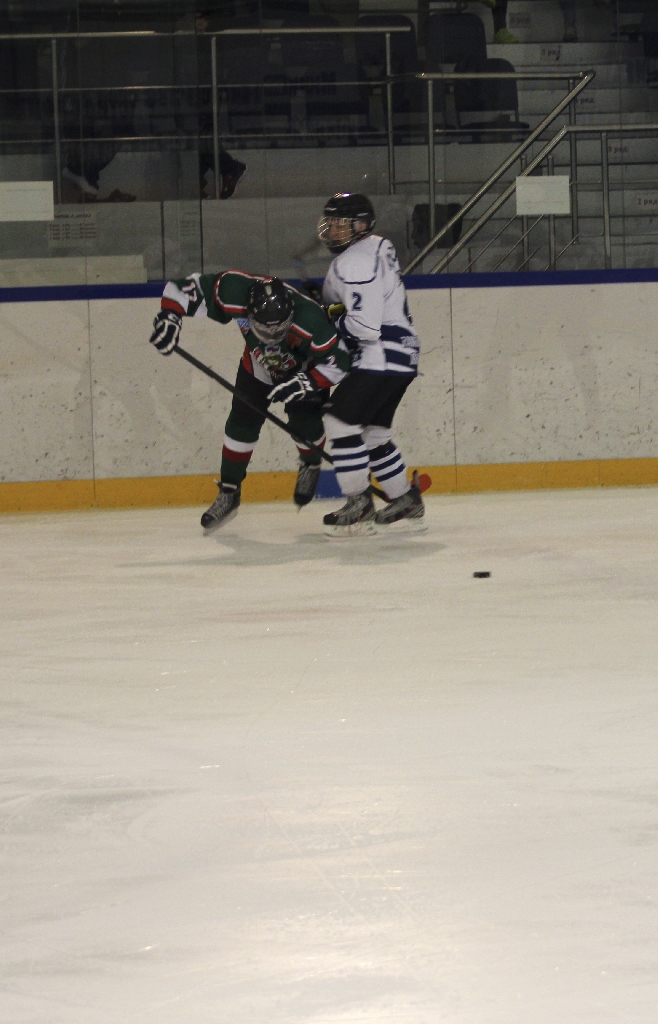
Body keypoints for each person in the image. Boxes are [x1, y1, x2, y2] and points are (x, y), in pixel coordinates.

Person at [148, 271, 350, 531]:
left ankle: (311, 463)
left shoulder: (311, 320)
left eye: (279, 328)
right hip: (258, 364)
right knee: (241, 423)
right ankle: (229, 491)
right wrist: (170, 317)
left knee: (305, 426)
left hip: (303, 369)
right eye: (264, 329)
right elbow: (184, 288)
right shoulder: (234, 290)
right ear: (249, 314)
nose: (272, 335)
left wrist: (306, 383)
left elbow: (341, 362)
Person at [281, 192, 424, 538]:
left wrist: (326, 317)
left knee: (339, 421)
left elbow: (364, 326)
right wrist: (328, 304)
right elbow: (362, 304)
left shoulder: (354, 261)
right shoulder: (377, 248)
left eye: (340, 225)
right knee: (373, 433)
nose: (332, 231)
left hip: (380, 354)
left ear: (361, 226)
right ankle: (405, 498)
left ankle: (358, 502)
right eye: (330, 224)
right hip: (402, 353)